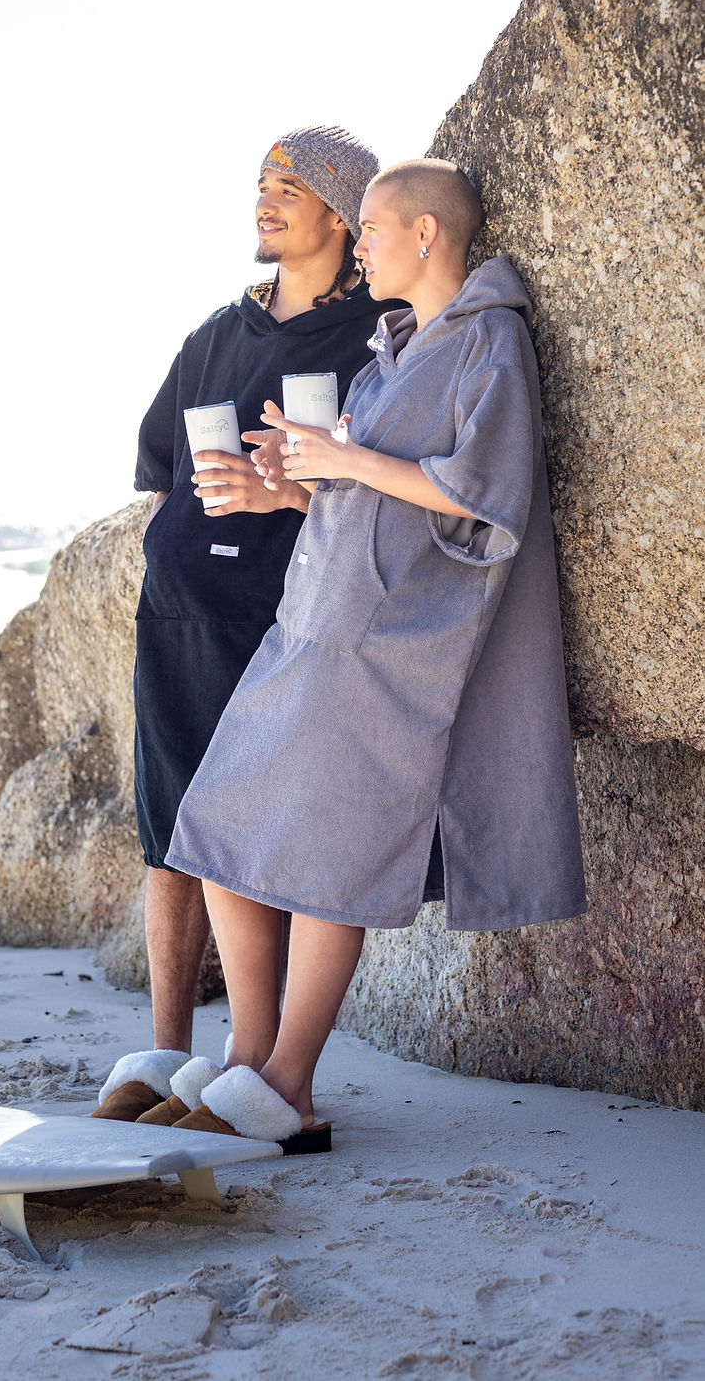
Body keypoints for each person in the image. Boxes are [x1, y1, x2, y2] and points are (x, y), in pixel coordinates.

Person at [154, 158, 587, 1149]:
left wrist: (345, 459)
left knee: (328, 859)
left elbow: (488, 494)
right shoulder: (385, 353)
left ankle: (290, 1087)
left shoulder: (490, 344)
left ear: (426, 234)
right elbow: (367, 492)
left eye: (372, 232)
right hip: (310, 620)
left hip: (392, 643)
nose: (358, 250)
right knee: (220, 825)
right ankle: (245, 1063)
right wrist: (287, 487)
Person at [90, 127, 403, 1124]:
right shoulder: (212, 339)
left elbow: (391, 497)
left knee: (263, 834)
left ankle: (262, 1068)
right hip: (177, 616)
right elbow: (161, 481)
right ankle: (166, 1055)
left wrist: (287, 497)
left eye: (288, 187)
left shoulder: (378, 339)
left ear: (340, 217)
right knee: (170, 833)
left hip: (289, 625)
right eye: (259, 185)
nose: (264, 202)